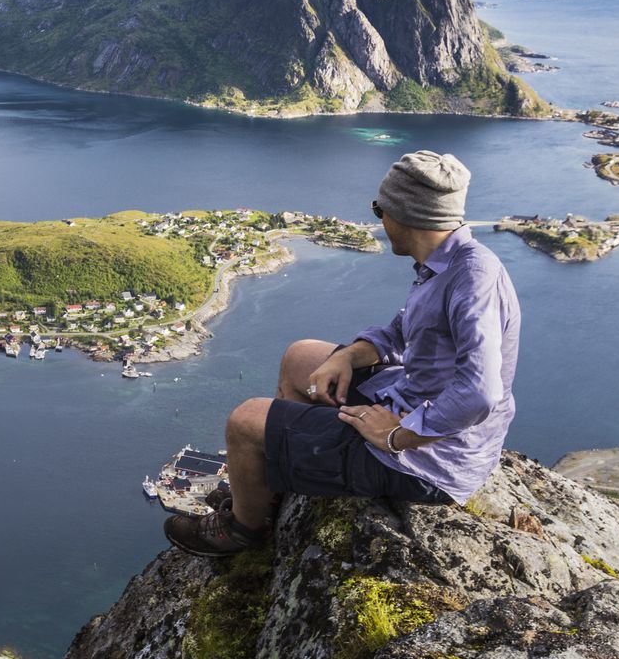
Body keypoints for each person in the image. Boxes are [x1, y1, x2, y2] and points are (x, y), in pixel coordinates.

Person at [165, 150, 520, 557]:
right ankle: (276, 485)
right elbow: (401, 332)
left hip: (431, 460)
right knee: (301, 357)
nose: (379, 220)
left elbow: (479, 393)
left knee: (245, 422)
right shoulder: (448, 262)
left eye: (379, 209)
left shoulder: (474, 280)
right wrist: (347, 357)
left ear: (405, 214)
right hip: (411, 397)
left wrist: (396, 436)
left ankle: (245, 530)